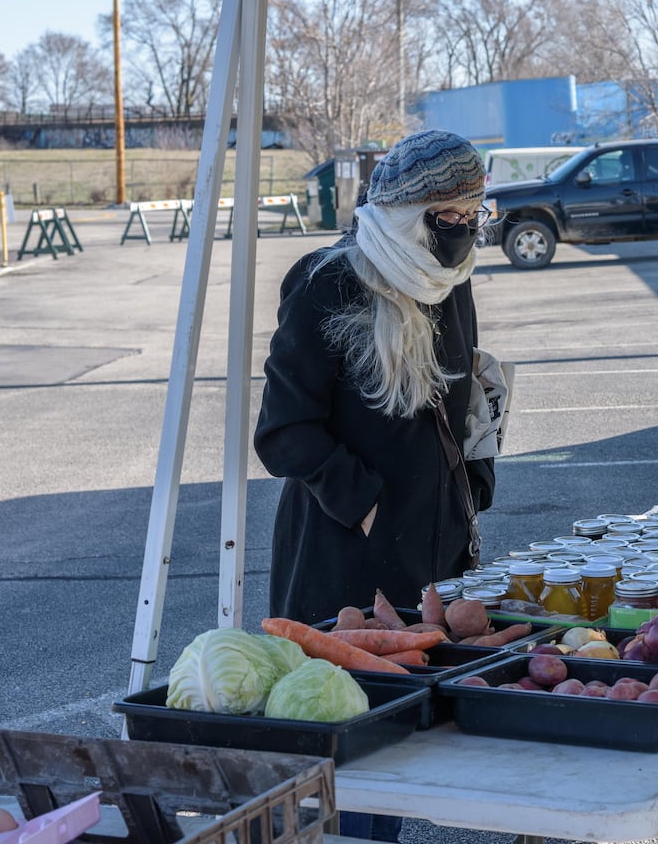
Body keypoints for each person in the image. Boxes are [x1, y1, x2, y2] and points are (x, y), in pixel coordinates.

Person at [254, 129, 495, 842]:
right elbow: (283, 431)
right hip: (344, 565)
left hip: (433, 554)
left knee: (411, 747)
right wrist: (361, 503)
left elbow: (457, 395)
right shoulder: (328, 283)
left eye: (474, 213)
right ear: (404, 211)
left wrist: (474, 480)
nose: (463, 230)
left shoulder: (451, 279)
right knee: (353, 756)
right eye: (449, 215)